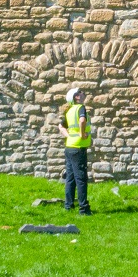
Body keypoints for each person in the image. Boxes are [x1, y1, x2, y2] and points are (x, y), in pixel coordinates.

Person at [61, 85, 93, 215]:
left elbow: (60, 127)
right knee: (81, 178)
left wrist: (68, 136)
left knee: (70, 178)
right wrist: (81, 133)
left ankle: (68, 205)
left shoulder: (69, 111)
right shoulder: (81, 108)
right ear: (76, 97)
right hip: (79, 148)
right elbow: (82, 121)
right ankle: (83, 209)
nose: (83, 93)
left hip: (69, 147)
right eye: (80, 92)